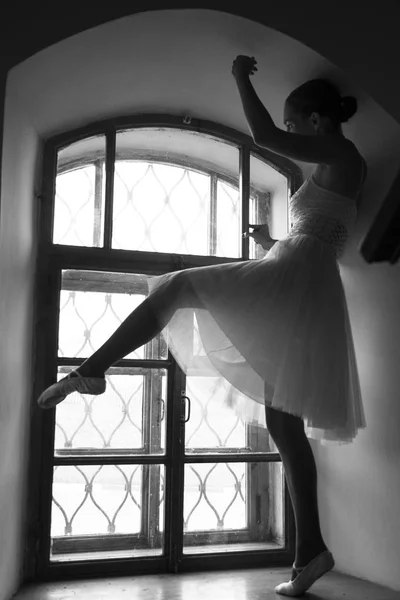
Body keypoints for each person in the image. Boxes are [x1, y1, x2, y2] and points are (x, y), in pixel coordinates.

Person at [37, 56, 367, 596]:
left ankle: (93, 369)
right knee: (284, 427)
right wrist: (271, 245)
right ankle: (312, 551)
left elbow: (260, 136)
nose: (285, 131)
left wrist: (240, 76)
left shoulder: (341, 152)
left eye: (292, 121)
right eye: (286, 123)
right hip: (304, 278)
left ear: (316, 120)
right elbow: (330, 234)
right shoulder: (340, 164)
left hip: (301, 277)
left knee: (177, 285)